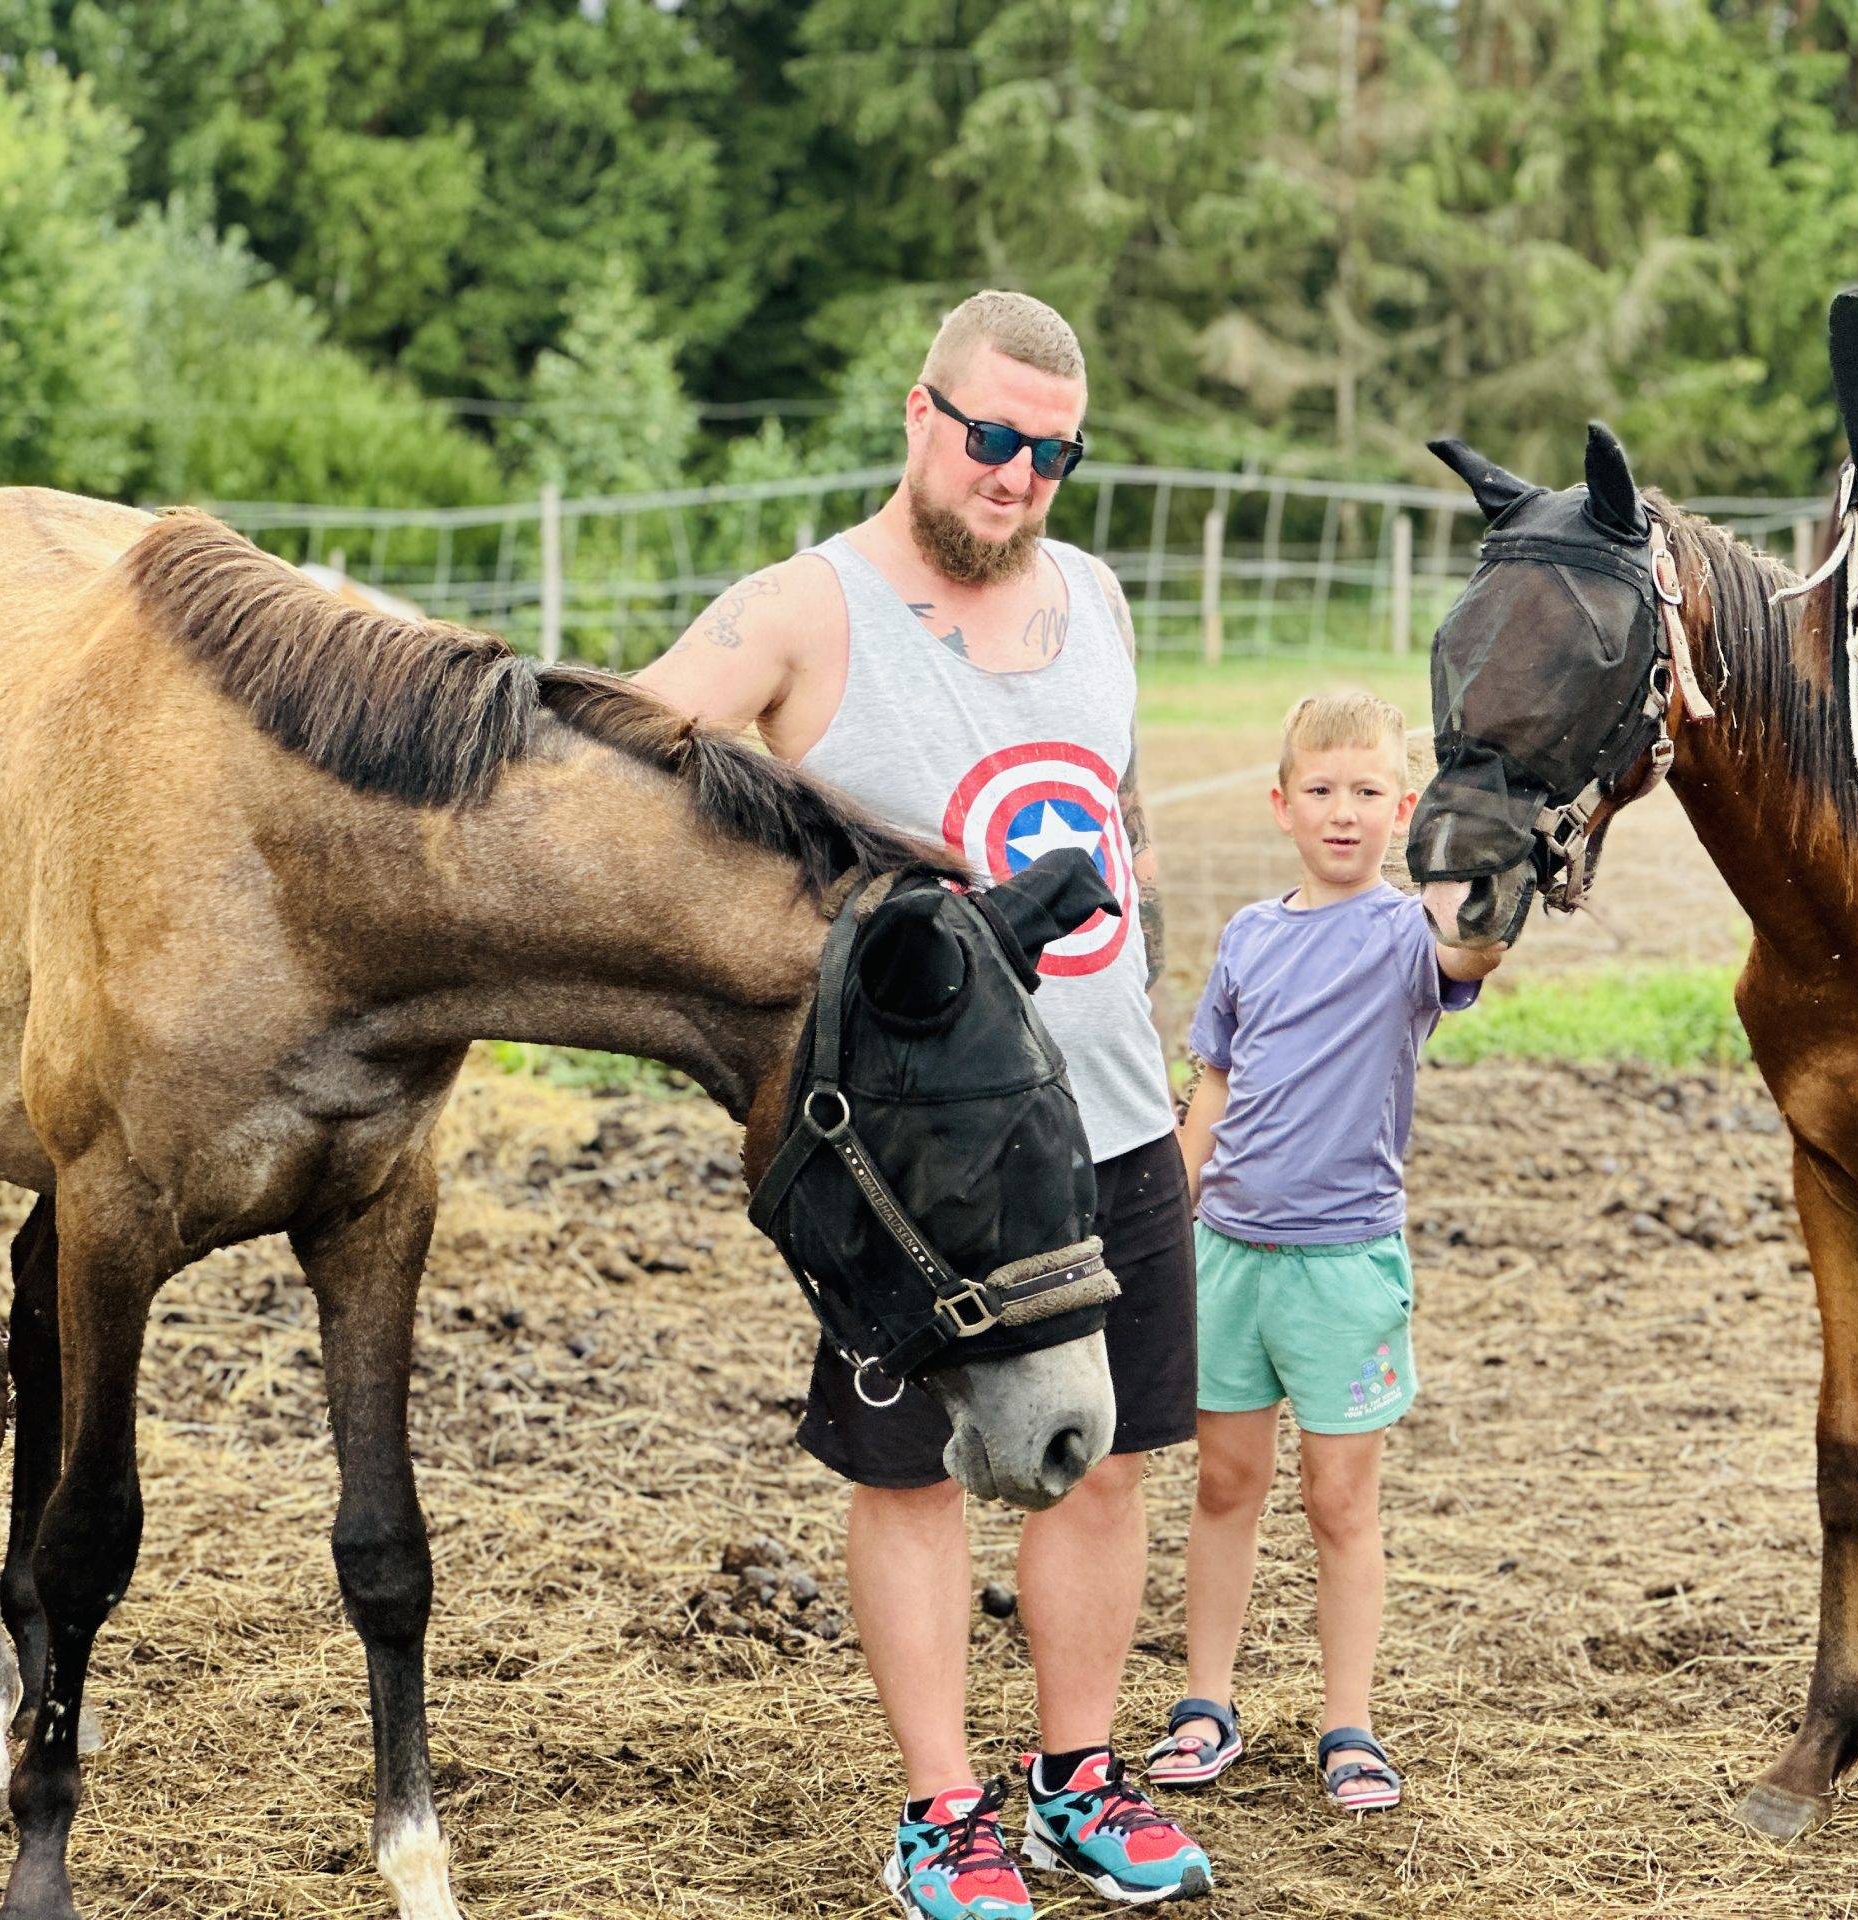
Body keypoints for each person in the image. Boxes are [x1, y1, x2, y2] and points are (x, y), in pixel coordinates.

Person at [635, 290, 1211, 1916]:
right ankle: (942, 1813)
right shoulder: (805, 611)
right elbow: (630, 751)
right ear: (921, 416)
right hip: (920, 1163)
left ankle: (1076, 1783)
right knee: (912, 1473)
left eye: (1054, 451)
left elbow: (1115, 795)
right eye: (994, 437)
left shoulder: (1095, 592)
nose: (1019, 473)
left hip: (1103, 1117)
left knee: (1104, 1456)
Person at [1149, 691, 1502, 1815]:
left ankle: (1347, 1721)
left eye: (1366, 794)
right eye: (1320, 792)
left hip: (1344, 1266)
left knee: (1340, 1502)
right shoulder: (1250, 937)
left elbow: (1474, 945)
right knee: (1222, 1482)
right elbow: (1211, 1090)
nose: (1342, 813)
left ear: (1399, 808)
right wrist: (1166, 1220)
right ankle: (1205, 1702)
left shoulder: (1409, 936)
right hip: (1230, 1257)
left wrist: (1479, 864)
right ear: (1281, 804)